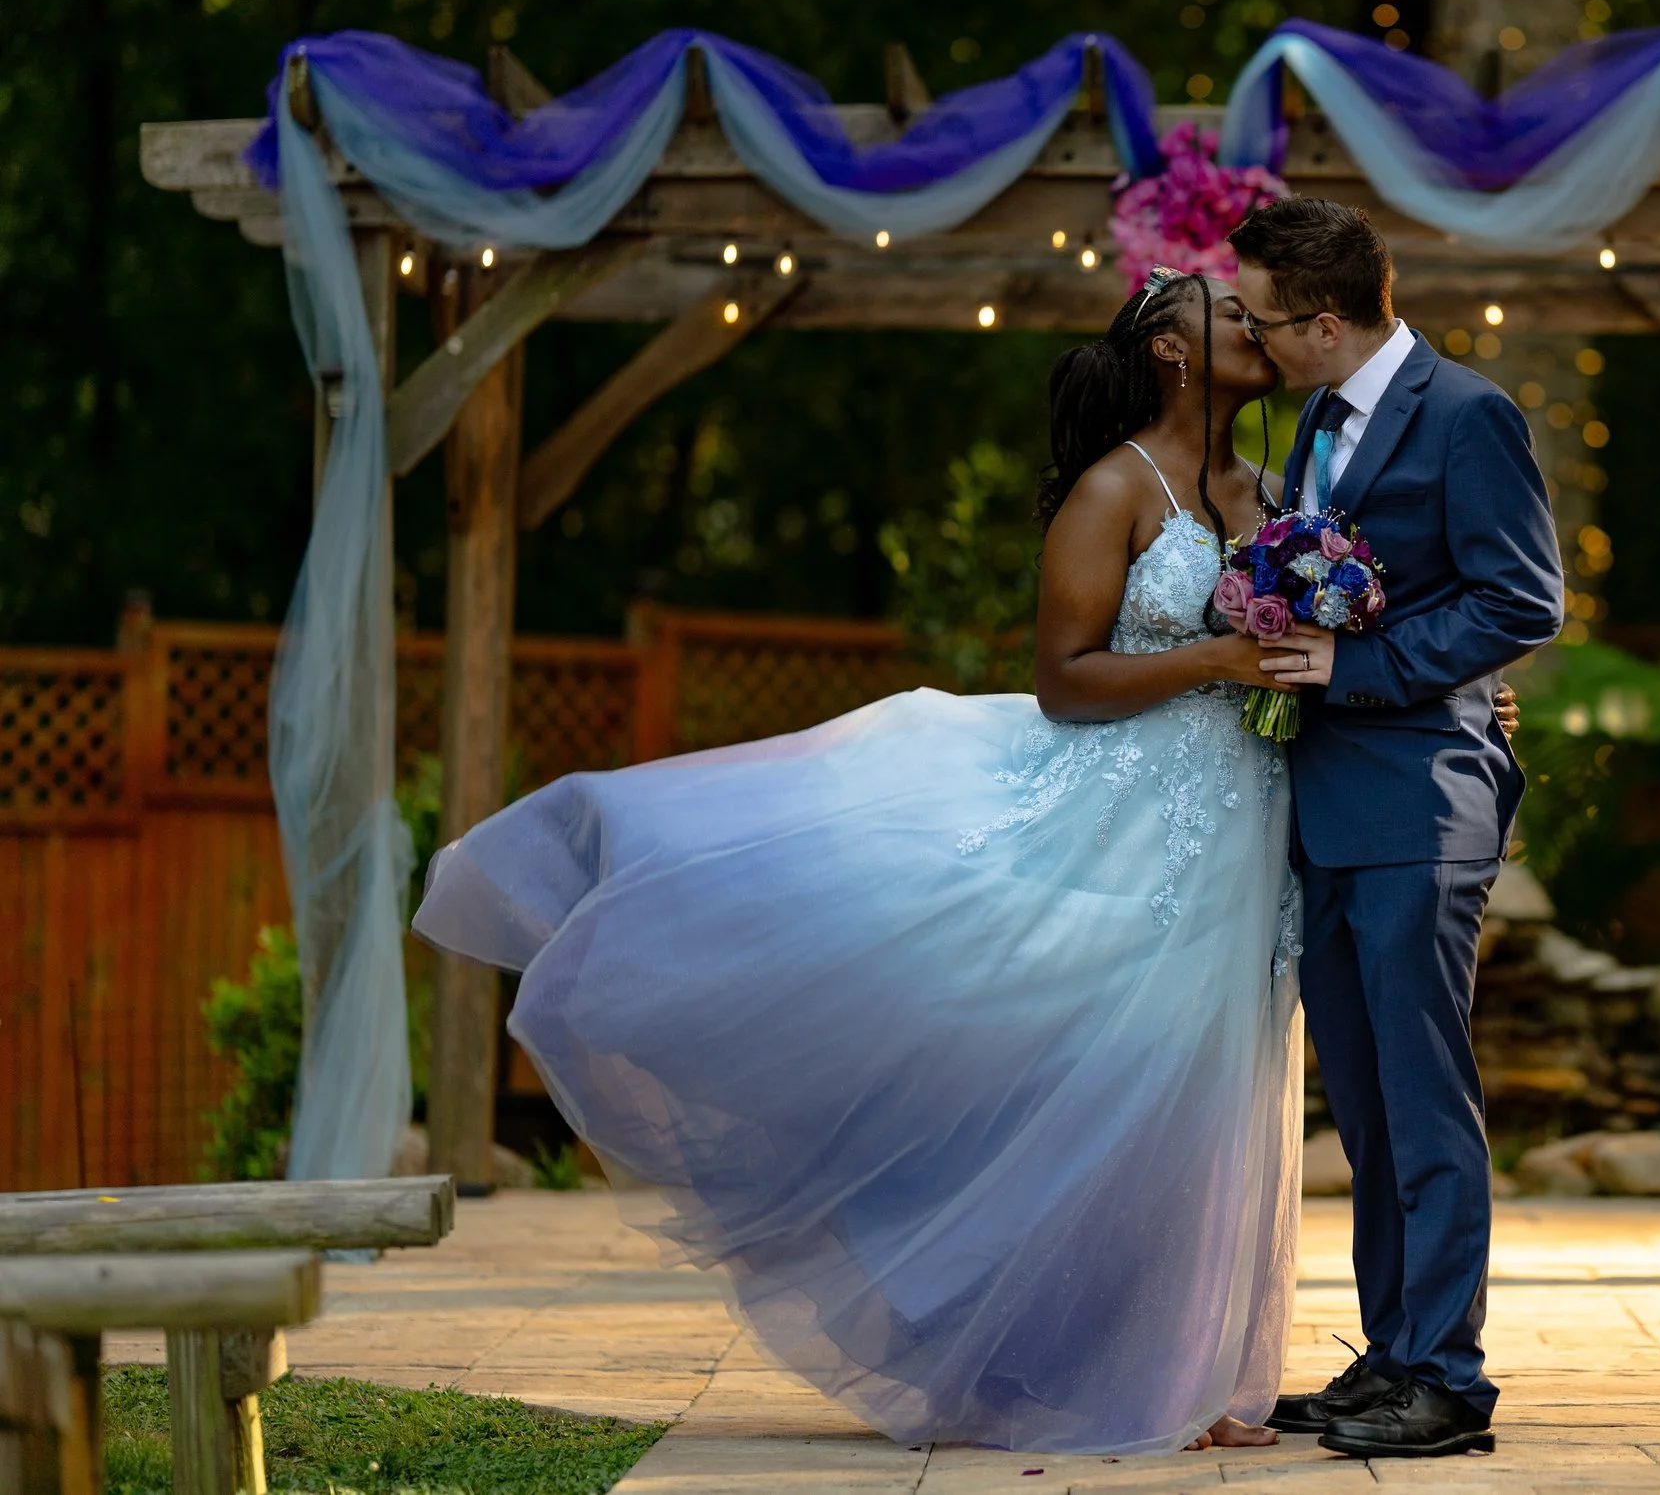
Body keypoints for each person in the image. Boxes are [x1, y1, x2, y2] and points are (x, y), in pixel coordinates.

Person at [411, 265, 1526, 1458]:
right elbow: (1065, 675)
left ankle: (1186, 1370)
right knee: (1081, 1084)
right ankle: (1028, 1337)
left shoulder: (1281, 484)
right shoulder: (1114, 486)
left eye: (1261, 312)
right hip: (1121, 823)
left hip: (1250, 833)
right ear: (1169, 347)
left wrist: (1463, 695)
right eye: (1229, 314)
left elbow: (1370, 623)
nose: (1254, 328)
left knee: (1201, 1098)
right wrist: (1220, 664)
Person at [1231, 199, 1566, 1460]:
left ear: (1325, 321)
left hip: (1425, 801)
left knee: (1425, 1101)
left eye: (1264, 323)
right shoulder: (1315, 416)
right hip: (1326, 803)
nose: (1254, 346)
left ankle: (1451, 1379)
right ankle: (1389, 1355)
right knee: (1365, 1106)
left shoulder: (1469, 414)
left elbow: (1521, 597)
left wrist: (1350, 664)